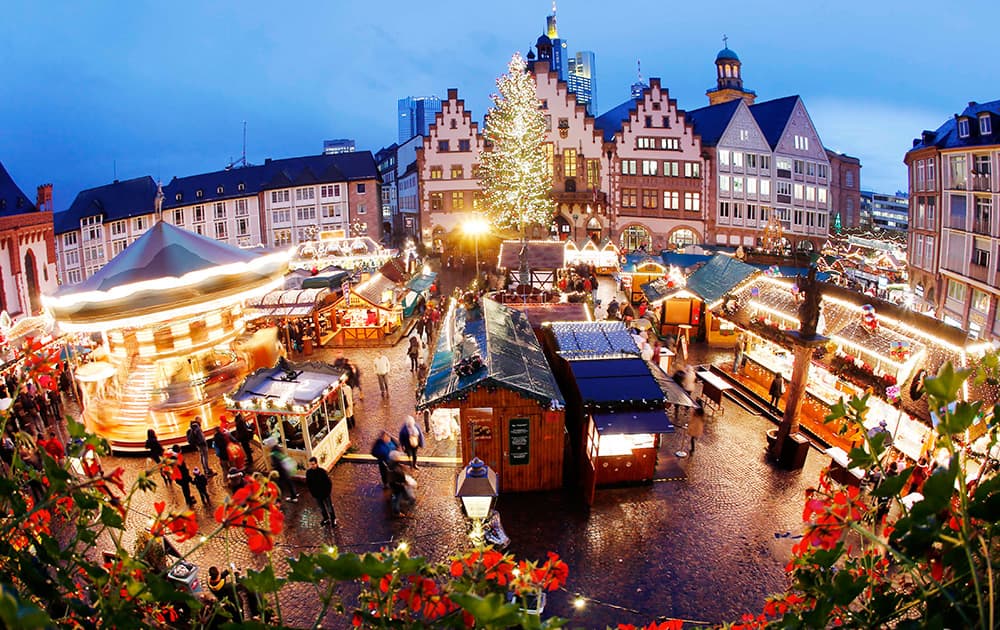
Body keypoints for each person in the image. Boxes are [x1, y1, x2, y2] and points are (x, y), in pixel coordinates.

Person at [305, 456, 337, 526]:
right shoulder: (308, 473)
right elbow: (309, 484)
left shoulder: (322, 472)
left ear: (316, 464)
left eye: (313, 464)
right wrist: (313, 493)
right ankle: (326, 518)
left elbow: (329, 483)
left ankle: (333, 519)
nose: (312, 466)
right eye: (310, 464)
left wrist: (327, 492)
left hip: (325, 494)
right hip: (317, 495)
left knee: (329, 507)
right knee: (321, 508)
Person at [386, 450, 413, 518]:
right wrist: (404, 483)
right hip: (398, 487)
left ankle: (407, 501)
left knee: (404, 496)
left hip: (399, 486)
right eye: (398, 456)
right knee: (396, 499)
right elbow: (394, 479)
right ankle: (396, 512)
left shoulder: (393, 464)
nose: (400, 457)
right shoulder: (394, 468)